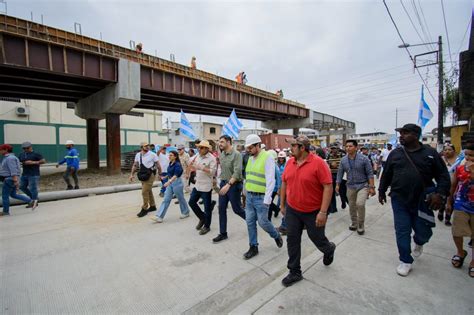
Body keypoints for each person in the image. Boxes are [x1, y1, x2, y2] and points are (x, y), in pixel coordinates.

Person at [379, 124, 450, 277]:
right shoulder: (395, 154)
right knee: (402, 230)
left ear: (416, 135)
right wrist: (381, 191)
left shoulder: (430, 153)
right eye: (400, 133)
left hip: (423, 200)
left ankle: (419, 241)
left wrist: (440, 194)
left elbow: (443, 176)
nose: (401, 136)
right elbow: (386, 175)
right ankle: (405, 260)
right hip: (399, 199)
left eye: (405, 133)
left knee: (424, 231)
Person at [280, 135, 336, 287]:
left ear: (302, 148)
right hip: (293, 210)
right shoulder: (290, 162)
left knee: (317, 238)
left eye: (292, 146)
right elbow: (284, 183)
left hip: (313, 211)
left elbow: (328, 187)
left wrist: (323, 212)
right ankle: (294, 271)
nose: (290, 149)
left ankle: (329, 249)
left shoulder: (318, 163)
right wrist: (282, 204)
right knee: (292, 239)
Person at [242, 134, 283, 260]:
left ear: (258, 145)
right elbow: (248, 177)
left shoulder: (267, 157)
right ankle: (253, 246)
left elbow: (270, 180)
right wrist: (244, 193)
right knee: (249, 222)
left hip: (261, 198)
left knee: (263, 222)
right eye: (247, 148)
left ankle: (276, 235)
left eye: (250, 148)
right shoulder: (250, 158)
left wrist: (267, 200)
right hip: (249, 196)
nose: (248, 150)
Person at [446, 145, 474, 278]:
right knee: (457, 231)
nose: (468, 158)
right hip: (461, 204)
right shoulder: (460, 168)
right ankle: (460, 252)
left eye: (472, 156)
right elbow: (454, 185)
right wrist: (449, 201)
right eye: (467, 155)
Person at [336, 140, 375, 235]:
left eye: (350, 146)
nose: (348, 148)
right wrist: (337, 184)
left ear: (356, 147)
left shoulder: (364, 159)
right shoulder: (343, 160)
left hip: (363, 185)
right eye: (346, 146)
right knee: (352, 206)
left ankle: (361, 224)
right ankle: (354, 222)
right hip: (350, 186)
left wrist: (372, 187)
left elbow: (370, 173)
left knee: (360, 204)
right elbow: (340, 173)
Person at [213, 135, 246, 243]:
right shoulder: (222, 154)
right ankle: (223, 233)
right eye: (219, 142)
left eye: (221, 142)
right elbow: (222, 169)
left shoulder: (237, 155)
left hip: (234, 185)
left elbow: (237, 172)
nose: (219, 144)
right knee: (221, 208)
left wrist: (228, 185)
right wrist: (217, 181)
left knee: (237, 209)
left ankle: (251, 220)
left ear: (228, 142)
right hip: (223, 182)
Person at [151, 150, 190, 222]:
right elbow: (170, 173)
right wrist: (165, 177)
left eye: (171, 155)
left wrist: (168, 182)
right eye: (169, 155)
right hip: (170, 182)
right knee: (166, 199)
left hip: (177, 183)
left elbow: (176, 175)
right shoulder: (170, 163)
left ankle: (186, 212)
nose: (169, 156)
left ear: (175, 157)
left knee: (180, 198)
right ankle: (159, 216)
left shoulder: (178, 164)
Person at [188, 140, 217, 235]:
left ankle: (207, 226)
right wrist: (191, 168)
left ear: (206, 149)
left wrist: (201, 167)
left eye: (200, 147)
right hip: (198, 184)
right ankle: (202, 218)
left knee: (207, 208)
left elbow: (213, 172)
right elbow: (193, 165)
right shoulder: (197, 156)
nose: (198, 149)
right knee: (191, 202)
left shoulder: (212, 158)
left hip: (206, 186)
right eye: (198, 147)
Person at [0, 144, 37, 216]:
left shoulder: (10, 158)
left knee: (5, 196)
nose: (0, 151)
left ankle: (5, 211)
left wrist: (15, 180)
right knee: (13, 194)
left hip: (9, 179)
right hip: (11, 179)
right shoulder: (9, 158)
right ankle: (31, 201)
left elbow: (13, 170)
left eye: (1, 150)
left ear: (6, 150)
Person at [129, 142, 161, 217]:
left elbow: (158, 165)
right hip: (143, 175)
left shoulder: (152, 154)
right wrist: (131, 174)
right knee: (148, 190)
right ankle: (153, 206)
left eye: (148, 146)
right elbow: (135, 165)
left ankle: (144, 208)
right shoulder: (138, 155)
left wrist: (160, 174)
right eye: (145, 146)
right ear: (141, 147)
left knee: (144, 191)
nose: (147, 147)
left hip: (151, 174)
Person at [19, 141, 45, 207]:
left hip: (34, 174)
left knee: (33, 188)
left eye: (27, 148)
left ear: (30, 147)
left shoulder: (36, 154)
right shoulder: (22, 154)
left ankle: (34, 201)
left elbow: (43, 161)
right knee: (22, 187)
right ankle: (33, 198)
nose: (26, 150)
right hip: (25, 173)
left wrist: (33, 162)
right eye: (24, 148)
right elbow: (19, 161)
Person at [439, 143, 458, 225]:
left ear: (454, 151)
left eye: (450, 150)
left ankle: (447, 218)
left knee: (451, 201)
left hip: (455, 184)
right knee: (443, 200)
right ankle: (441, 210)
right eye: (445, 150)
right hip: (444, 184)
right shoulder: (440, 159)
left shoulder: (458, 160)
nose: (447, 151)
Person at [327, 145, 346, 213]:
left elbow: (345, 164)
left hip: (339, 174)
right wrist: (330, 166)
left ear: (337, 149)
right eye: (332, 149)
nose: (333, 150)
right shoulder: (329, 155)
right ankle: (333, 208)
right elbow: (327, 164)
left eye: (334, 149)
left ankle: (343, 201)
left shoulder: (341, 155)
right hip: (332, 174)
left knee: (341, 190)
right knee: (332, 192)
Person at [276, 151, 288, 234]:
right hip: (280, 187)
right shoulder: (277, 165)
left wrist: (280, 189)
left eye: (282, 158)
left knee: (283, 206)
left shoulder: (287, 165)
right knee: (281, 205)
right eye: (279, 158)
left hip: (285, 188)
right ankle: (284, 226)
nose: (281, 159)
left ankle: (284, 226)